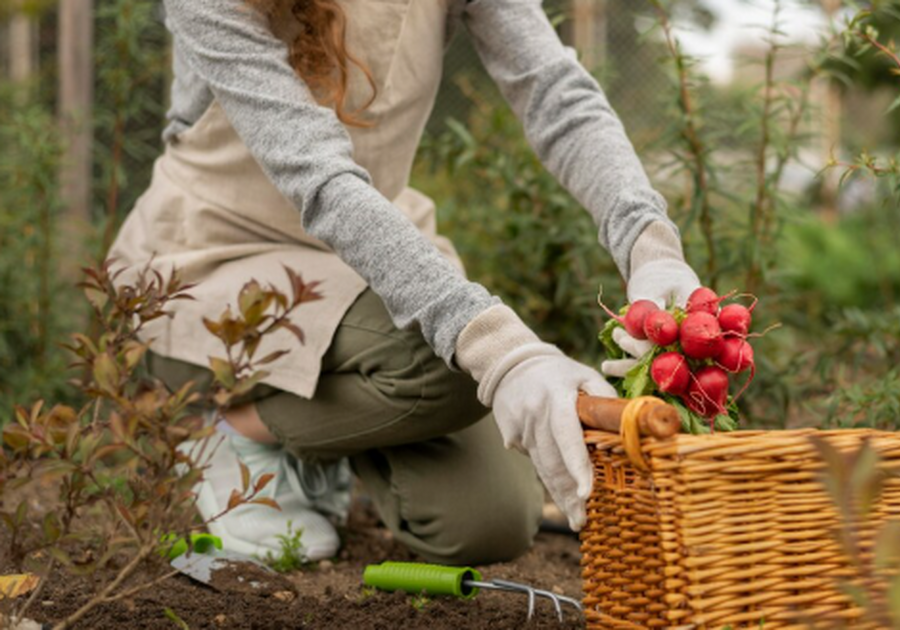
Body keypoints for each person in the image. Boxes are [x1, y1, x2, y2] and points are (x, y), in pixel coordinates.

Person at [109, 0, 700, 565]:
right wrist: (506, 352)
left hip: (371, 256)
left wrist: (649, 246)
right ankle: (223, 431)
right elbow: (319, 178)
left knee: (490, 522)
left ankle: (311, 437)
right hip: (219, 258)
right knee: (458, 364)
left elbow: (555, 94)